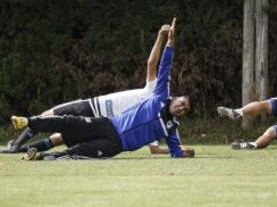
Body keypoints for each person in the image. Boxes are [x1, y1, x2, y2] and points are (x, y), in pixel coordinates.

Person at [12, 17, 195, 160]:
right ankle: (27, 122)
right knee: (67, 122)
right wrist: (170, 41)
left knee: (78, 152)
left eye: (184, 110)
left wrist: (185, 153)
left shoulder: (171, 128)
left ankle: (39, 157)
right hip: (108, 124)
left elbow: (174, 151)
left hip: (116, 145)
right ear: (176, 97)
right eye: (182, 103)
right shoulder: (160, 94)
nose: (181, 107)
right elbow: (163, 66)